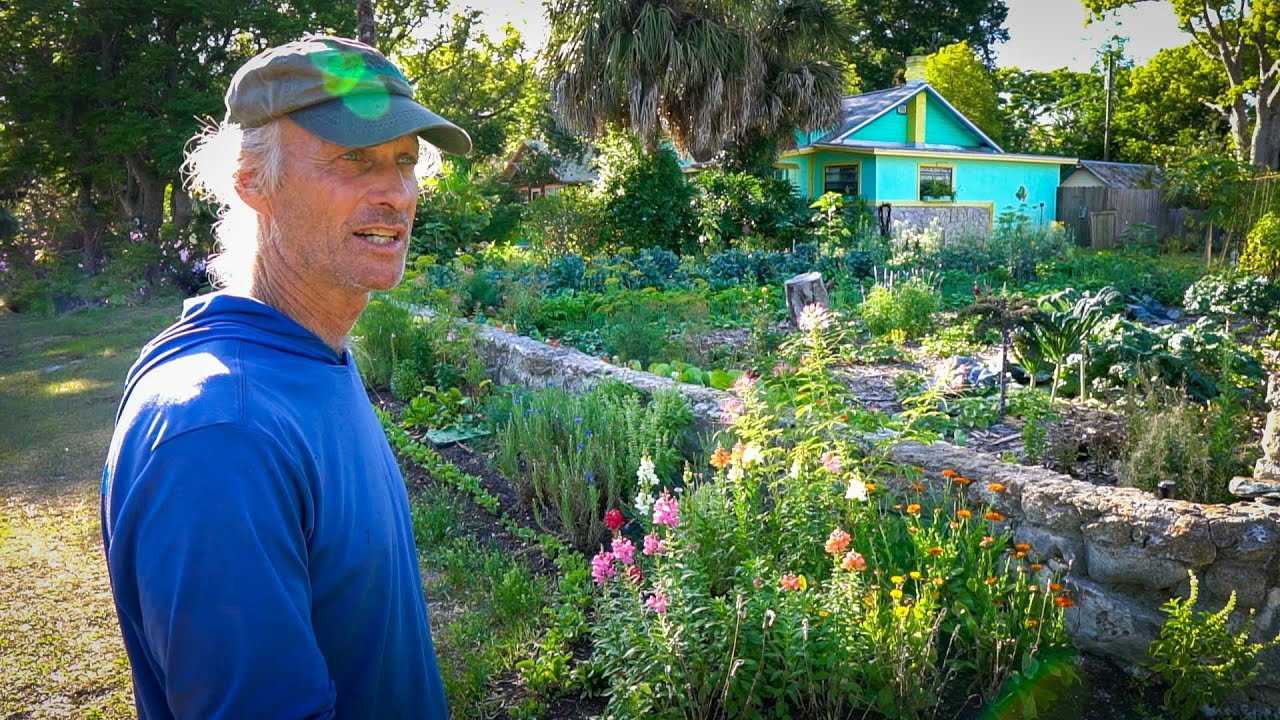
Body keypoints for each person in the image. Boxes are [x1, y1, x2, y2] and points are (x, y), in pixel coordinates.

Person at [100, 35, 470, 719]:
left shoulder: (309, 357)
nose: (395, 193)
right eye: (353, 159)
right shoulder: (220, 433)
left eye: (404, 161)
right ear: (250, 179)